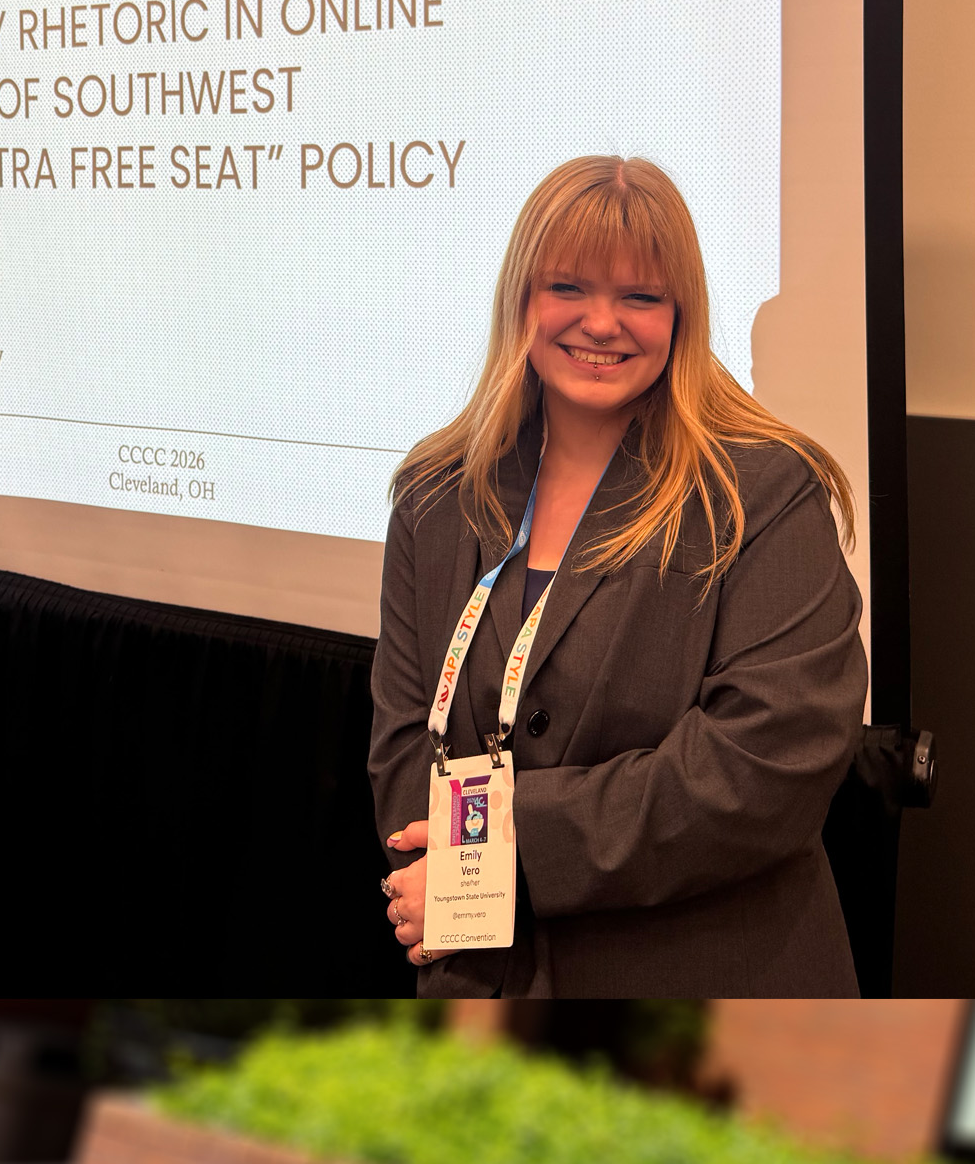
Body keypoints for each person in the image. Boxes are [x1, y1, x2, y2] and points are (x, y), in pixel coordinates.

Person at [368, 155, 868, 998]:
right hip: (489, 984)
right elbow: (401, 754)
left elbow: (765, 764)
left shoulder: (764, 491)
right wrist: (468, 887)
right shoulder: (435, 495)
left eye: (640, 297)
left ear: (681, 315)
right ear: (522, 299)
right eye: (568, 287)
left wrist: (508, 856)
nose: (602, 323)